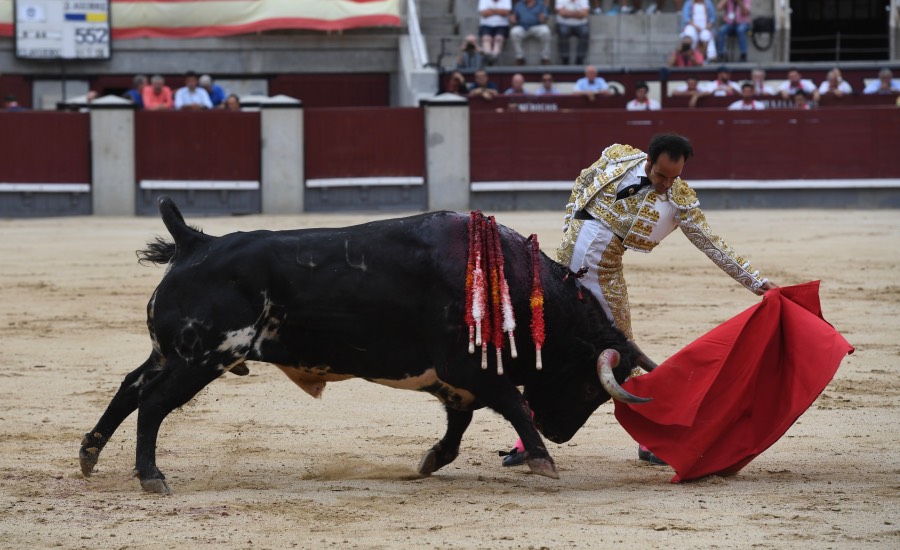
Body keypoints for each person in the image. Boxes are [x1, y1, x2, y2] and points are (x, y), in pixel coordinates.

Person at [501, 133, 777, 467]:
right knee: (544, 350)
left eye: (674, 177)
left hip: (604, 283)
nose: (665, 184)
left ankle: (651, 441)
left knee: (625, 361)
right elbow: (582, 188)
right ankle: (525, 441)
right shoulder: (617, 157)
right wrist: (568, 239)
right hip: (559, 277)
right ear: (649, 159)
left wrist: (757, 282)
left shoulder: (679, 200)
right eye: (661, 175)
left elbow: (712, 244)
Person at [509, 0, 552, 65]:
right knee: (514, 31)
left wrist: (543, 18)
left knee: (546, 31)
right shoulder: (519, 4)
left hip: (537, 26)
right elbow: (514, 17)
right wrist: (513, 20)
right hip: (523, 27)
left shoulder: (540, 4)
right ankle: (520, 57)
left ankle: (545, 57)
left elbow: (545, 17)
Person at [556, 0, 590, 65]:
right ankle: (565, 58)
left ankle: (580, 59)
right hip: (564, 24)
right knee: (563, 32)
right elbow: (561, 13)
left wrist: (568, 13)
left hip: (581, 24)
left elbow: (585, 13)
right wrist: (578, 13)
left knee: (585, 32)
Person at [478, 0, 512, 65]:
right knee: (486, 39)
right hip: (486, 25)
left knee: (498, 39)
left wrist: (491, 10)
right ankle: (489, 56)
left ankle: (493, 57)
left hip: (502, 25)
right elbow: (483, 13)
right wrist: (499, 11)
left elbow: (506, 12)